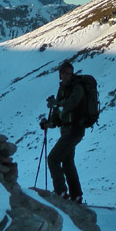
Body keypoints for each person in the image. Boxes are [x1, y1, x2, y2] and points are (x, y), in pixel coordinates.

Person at [40, 61, 87, 203]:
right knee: (67, 162)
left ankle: (61, 193)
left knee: (53, 159)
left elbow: (72, 104)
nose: (65, 75)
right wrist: (49, 123)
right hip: (68, 130)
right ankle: (76, 195)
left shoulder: (77, 88)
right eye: (62, 72)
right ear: (59, 74)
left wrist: (57, 104)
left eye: (67, 72)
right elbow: (59, 114)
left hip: (74, 130)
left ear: (72, 73)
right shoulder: (62, 89)